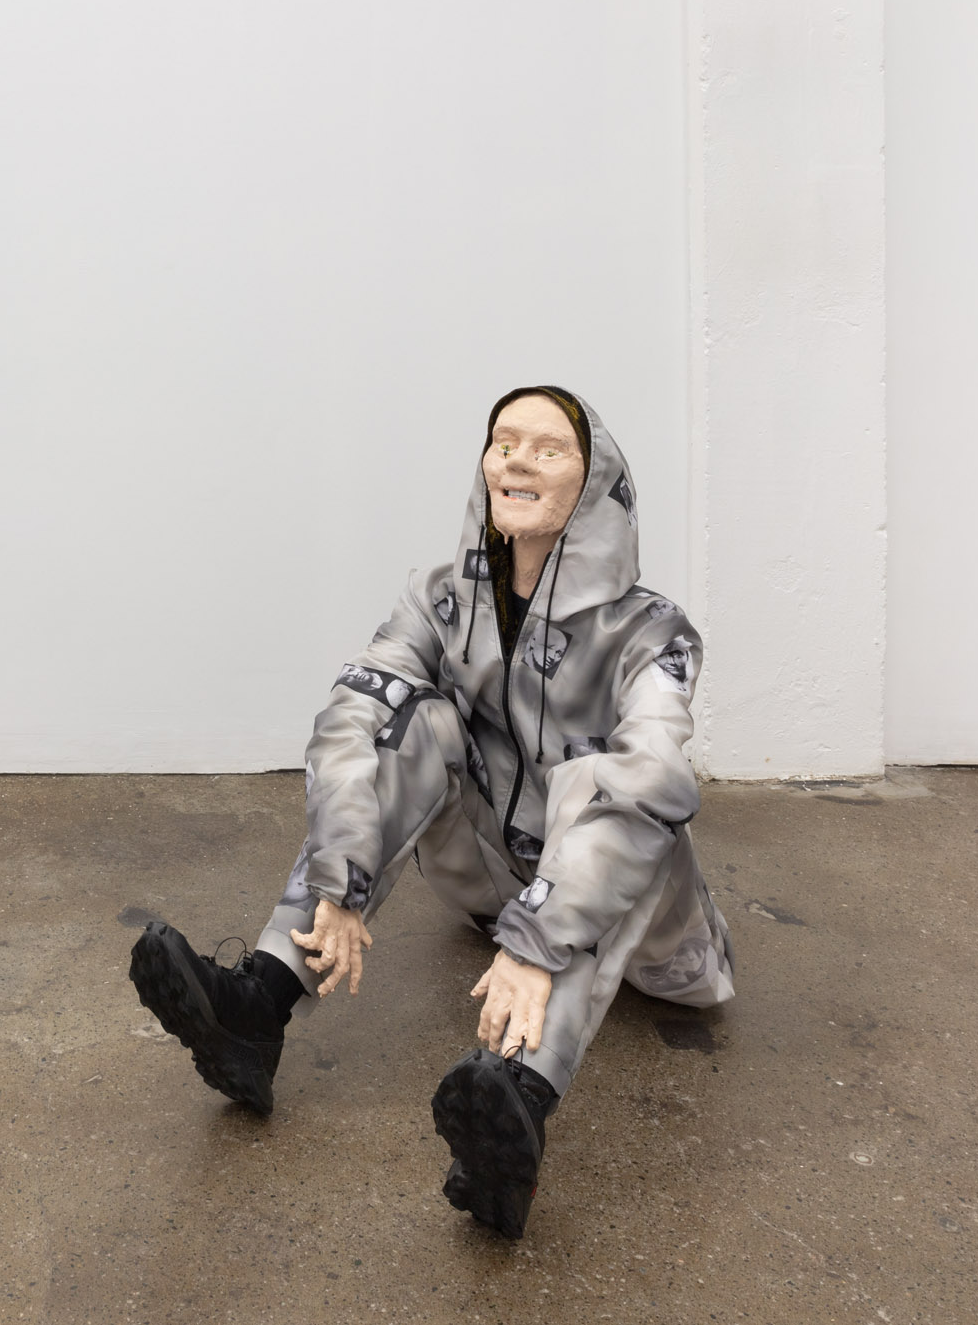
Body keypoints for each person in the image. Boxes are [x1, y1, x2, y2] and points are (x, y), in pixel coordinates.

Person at [128, 386, 735, 1238]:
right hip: (489, 884)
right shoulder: (439, 598)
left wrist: (538, 940)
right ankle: (257, 1005)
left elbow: (646, 785)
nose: (518, 461)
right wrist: (342, 872)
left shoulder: (653, 634)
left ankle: (520, 1099)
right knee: (412, 720)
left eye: (548, 449)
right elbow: (352, 715)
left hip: (659, 946)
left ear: (595, 481)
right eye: (504, 442)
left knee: (614, 792)